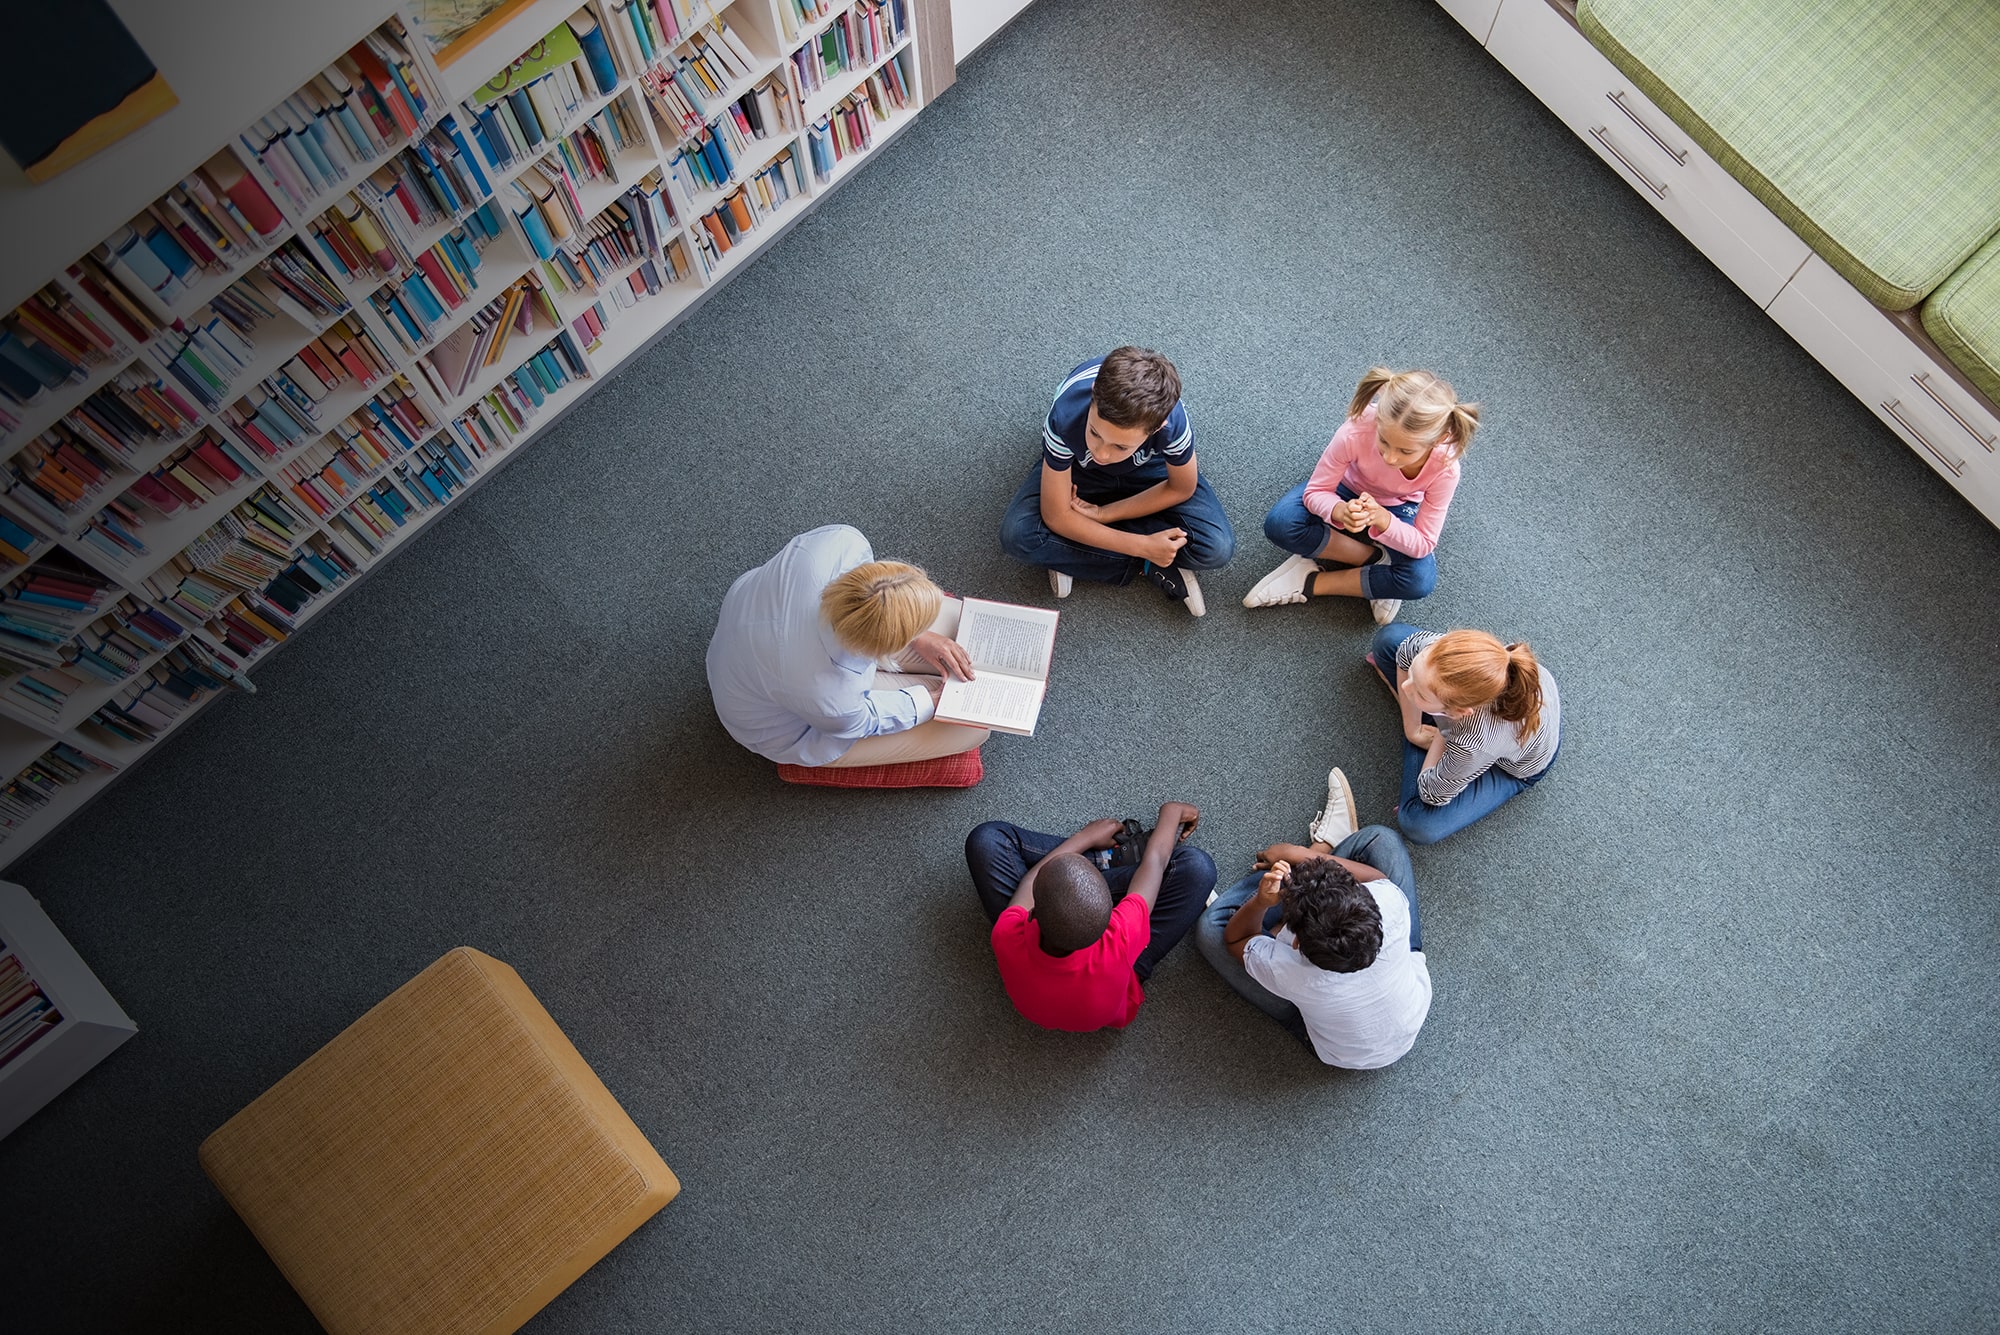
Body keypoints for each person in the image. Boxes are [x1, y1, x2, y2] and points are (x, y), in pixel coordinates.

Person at [705, 524, 990, 767]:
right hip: (791, 720)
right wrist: (933, 701)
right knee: (971, 732)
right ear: (883, 646)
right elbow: (864, 719)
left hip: (755, 634)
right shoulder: (831, 700)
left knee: (957, 627)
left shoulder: (842, 545)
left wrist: (920, 635)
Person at [999, 347, 1235, 617]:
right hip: (1079, 469)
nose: (1101, 453)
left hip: (1149, 469)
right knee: (1017, 535)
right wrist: (1143, 546)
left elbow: (1181, 487)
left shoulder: (1173, 423)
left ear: (1157, 428)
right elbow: (1056, 516)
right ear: (1092, 400)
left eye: (1119, 446)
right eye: (1095, 433)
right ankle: (1147, 562)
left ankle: (1075, 550)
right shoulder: (1065, 416)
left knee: (1217, 547)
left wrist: (1102, 514)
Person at [1194, 808, 1431, 1069]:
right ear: (1368, 899)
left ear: (1295, 942)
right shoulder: (1388, 901)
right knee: (1380, 840)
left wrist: (1263, 899)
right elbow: (1377, 879)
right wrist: (1299, 855)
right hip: (1407, 1015)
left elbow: (1234, 939)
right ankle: (1298, 884)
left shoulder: (1292, 973)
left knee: (1211, 929)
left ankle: (1299, 874)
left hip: (1327, 1041)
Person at [1243, 367, 1480, 625]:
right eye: (1384, 441)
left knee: (1419, 581)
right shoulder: (1355, 430)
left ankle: (1311, 582)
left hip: (1400, 507)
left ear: (1439, 439)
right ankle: (1376, 561)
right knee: (1281, 523)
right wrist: (1338, 511)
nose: (1390, 457)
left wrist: (1384, 521)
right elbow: (1317, 491)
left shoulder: (1446, 468)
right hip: (1347, 487)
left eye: (1405, 451)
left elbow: (1424, 543)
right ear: (1378, 418)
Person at [965, 803, 1215, 1031]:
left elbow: (1033, 880)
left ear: (1031, 913)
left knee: (986, 839)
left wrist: (1084, 837)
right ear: (1111, 915)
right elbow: (1156, 861)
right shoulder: (1121, 934)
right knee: (1198, 868)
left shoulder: (1007, 933)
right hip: (1123, 976)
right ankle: (1105, 862)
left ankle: (1098, 860)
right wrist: (1171, 812)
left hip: (1045, 975)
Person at [1367, 622, 1560, 843]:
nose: (1405, 688)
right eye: (1413, 675)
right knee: (1388, 640)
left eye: (1419, 693)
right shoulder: (1431, 648)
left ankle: (1436, 725)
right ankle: (1430, 715)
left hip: (1522, 764)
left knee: (1417, 823)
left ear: (1460, 712)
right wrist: (1413, 731)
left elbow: (1432, 792)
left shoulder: (1473, 742)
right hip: (1483, 721)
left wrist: (1445, 734)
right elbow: (1405, 654)